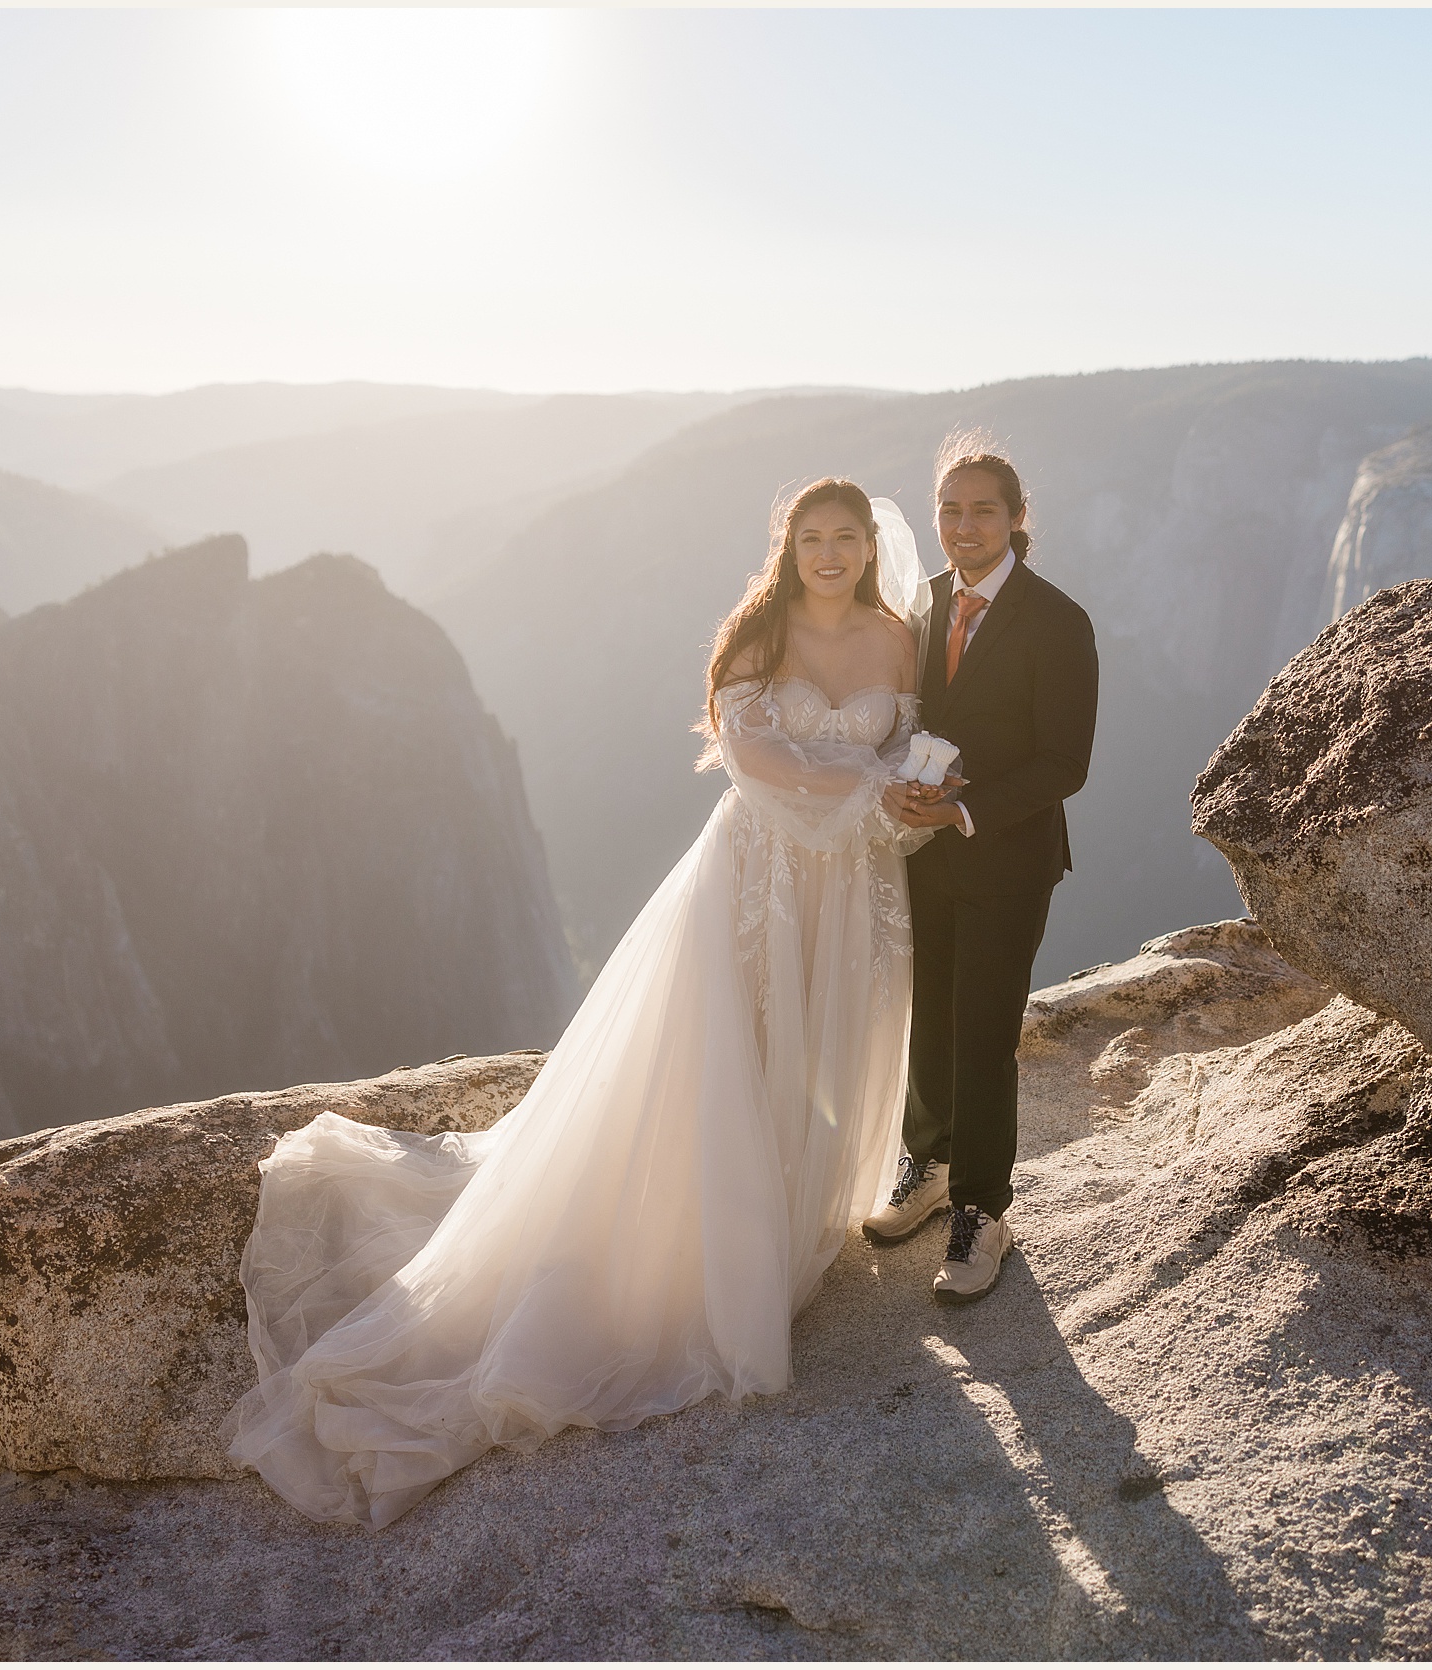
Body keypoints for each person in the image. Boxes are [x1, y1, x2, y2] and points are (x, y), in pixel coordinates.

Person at [225, 478, 936, 1528]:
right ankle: (716, 1260)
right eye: (812, 537)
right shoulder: (759, 633)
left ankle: (786, 1228)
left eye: (846, 538)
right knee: (729, 1055)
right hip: (754, 882)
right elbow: (754, 755)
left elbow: (902, 751)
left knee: (818, 1051)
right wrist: (870, 786)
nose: (830, 552)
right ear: (787, 547)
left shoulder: (894, 639)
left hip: (847, 889)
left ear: (868, 548)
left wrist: (915, 788)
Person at [864, 433, 1100, 1303]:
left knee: (985, 1030)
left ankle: (982, 1210)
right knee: (930, 1011)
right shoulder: (919, 607)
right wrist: (900, 791)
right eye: (950, 510)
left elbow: (1064, 762)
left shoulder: (1058, 621)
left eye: (983, 511)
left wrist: (966, 807)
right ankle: (928, 1164)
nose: (964, 526)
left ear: (1016, 519)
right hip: (920, 851)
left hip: (1007, 856)